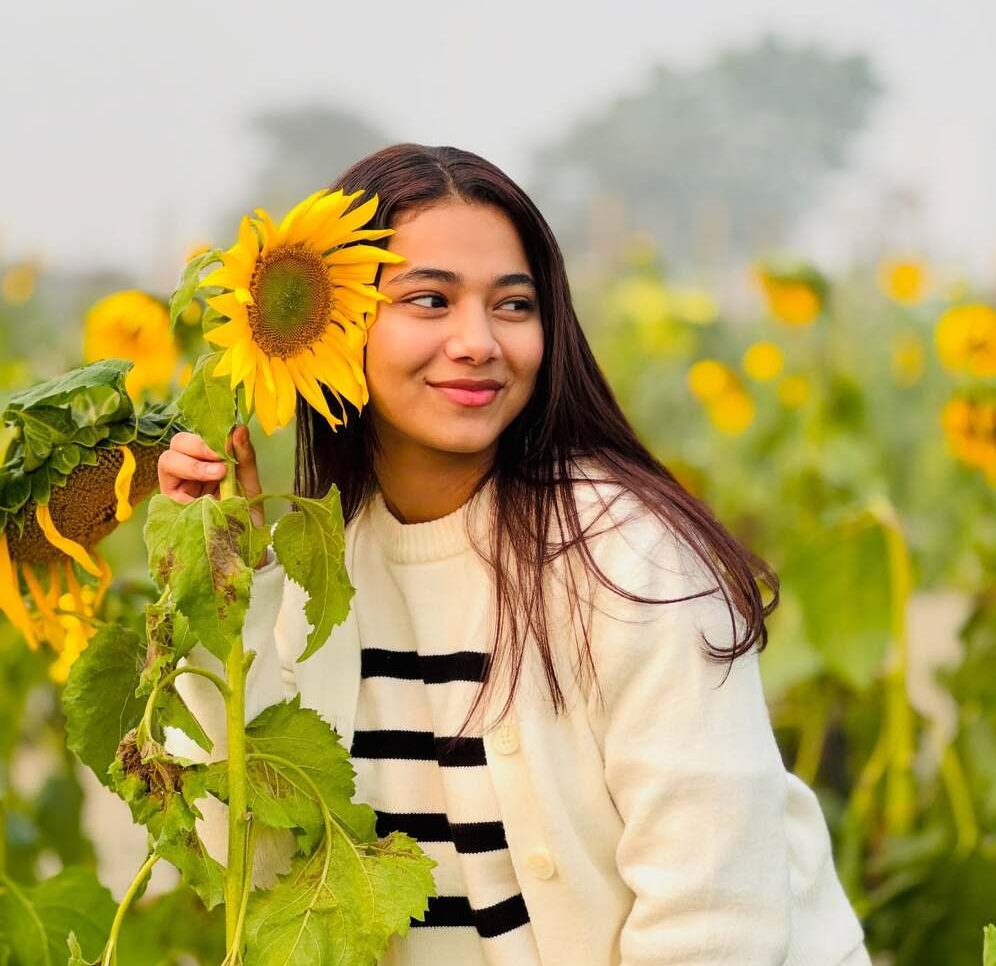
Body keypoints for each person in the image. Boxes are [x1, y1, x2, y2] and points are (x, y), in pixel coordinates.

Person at [157, 143, 871, 965]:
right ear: (331, 321)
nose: (478, 342)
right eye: (430, 300)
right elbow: (259, 870)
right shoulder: (319, 574)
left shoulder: (629, 561)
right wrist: (230, 585)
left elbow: (712, 918)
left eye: (514, 305)